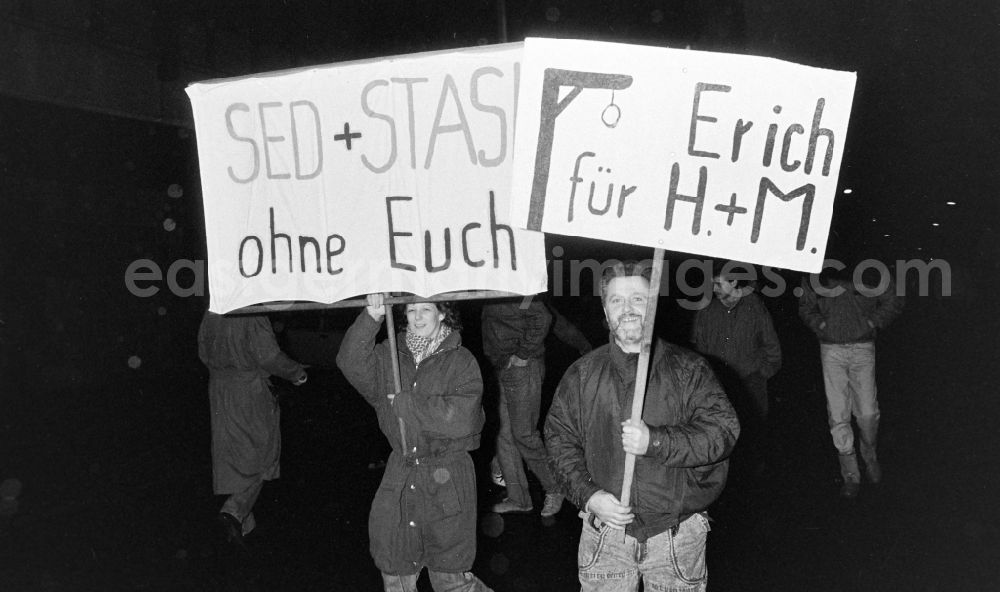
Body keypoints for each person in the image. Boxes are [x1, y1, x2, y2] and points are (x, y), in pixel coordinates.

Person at [544, 261, 740, 591]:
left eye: (638, 298)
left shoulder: (689, 369)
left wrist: (657, 442)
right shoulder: (583, 374)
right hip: (605, 535)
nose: (628, 309)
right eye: (616, 301)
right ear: (606, 312)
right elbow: (559, 440)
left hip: (676, 537)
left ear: (652, 305)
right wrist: (589, 496)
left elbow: (722, 431)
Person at [336, 294, 492, 592]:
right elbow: (350, 361)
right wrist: (372, 317)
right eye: (410, 311)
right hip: (402, 473)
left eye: (425, 309)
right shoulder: (390, 356)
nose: (417, 317)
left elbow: (463, 419)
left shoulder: (461, 361)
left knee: (449, 578)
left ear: (442, 314)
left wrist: (408, 405)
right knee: (394, 568)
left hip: (446, 477)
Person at [198, 311, 307, 547]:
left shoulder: (213, 312)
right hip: (249, 392)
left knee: (236, 454)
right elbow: (268, 356)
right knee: (263, 455)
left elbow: (203, 352)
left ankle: (243, 526)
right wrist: (296, 372)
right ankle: (234, 513)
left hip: (219, 390)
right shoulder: (251, 313)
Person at [798, 269, 904, 498]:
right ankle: (850, 475)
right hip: (831, 350)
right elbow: (805, 306)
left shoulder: (869, 265)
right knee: (838, 415)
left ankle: (870, 455)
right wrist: (821, 325)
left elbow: (894, 299)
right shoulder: (817, 269)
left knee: (868, 413)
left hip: (862, 348)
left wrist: (872, 321)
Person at [691, 264, 781, 478]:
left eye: (719, 283)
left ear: (733, 282)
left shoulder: (754, 307)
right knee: (719, 433)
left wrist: (763, 373)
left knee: (752, 430)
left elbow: (771, 345)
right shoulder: (707, 311)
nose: (714, 288)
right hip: (719, 385)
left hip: (750, 381)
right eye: (713, 283)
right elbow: (697, 348)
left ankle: (752, 473)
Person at [481, 297, 564, 517]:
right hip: (501, 366)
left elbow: (543, 317)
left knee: (524, 434)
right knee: (504, 435)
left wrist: (523, 354)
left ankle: (556, 488)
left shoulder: (518, 289)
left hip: (521, 368)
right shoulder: (490, 284)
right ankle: (519, 499)